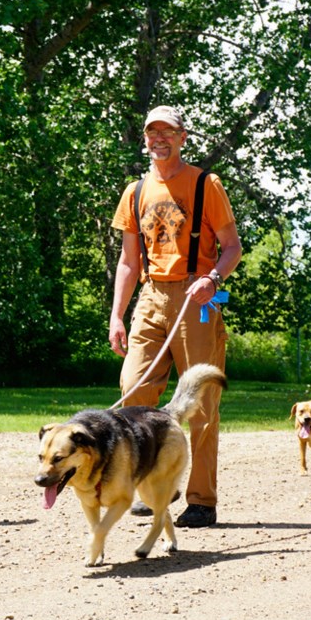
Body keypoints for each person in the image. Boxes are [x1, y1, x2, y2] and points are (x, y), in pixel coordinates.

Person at [108, 105, 242, 528]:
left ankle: (202, 500)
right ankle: (153, 485)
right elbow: (129, 262)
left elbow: (232, 246)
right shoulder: (135, 191)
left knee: (200, 403)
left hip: (195, 294)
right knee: (133, 392)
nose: (158, 139)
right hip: (149, 296)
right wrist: (117, 315)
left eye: (167, 131)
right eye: (152, 132)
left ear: (183, 137)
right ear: (145, 138)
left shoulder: (206, 183)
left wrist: (214, 280)